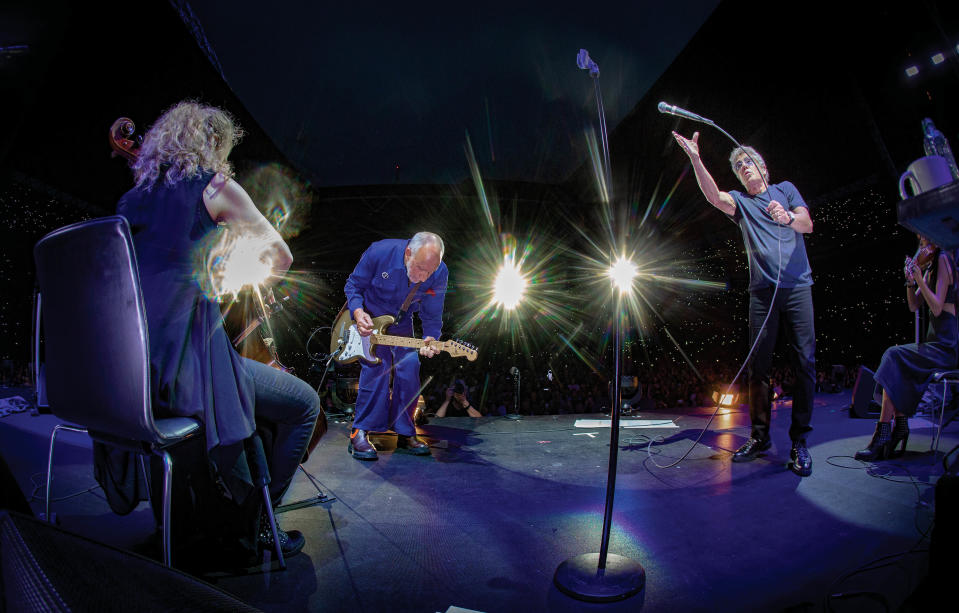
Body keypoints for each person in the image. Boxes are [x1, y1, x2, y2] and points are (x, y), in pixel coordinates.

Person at [116, 101, 322, 557]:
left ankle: (191, 518)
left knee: (241, 385)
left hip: (132, 373)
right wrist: (225, 278)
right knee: (305, 403)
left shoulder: (128, 203)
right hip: (186, 367)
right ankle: (258, 524)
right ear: (212, 145)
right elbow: (280, 258)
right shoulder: (213, 188)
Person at [672, 130, 815, 476]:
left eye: (747, 162)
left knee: (805, 362)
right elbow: (713, 197)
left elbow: (807, 225)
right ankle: (760, 437)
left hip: (797, 287)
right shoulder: (742, 201)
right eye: (738, 166)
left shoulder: (786, 190)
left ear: (762, 166)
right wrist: (695, 157)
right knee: (758, 368)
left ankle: (799, 443)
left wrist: (788, 218)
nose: (743, 168)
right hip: (762, 292)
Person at [344, 232, 448, 460]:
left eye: (429, 272)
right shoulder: (380, 252)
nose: (423, 277)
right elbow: (354, 285)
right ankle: (359, 431)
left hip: (401, 324)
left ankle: (404, 431)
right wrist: (358, 312)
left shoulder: (439, 272)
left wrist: (431, 337)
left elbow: (432, 313)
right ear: (408, 252)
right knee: (376, 368)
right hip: (369, 321)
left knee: (410, 368)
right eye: (420, 268)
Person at [856, 237, 958, 460]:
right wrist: (911, 281)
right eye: (919, 240)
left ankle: (885, 432)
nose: (922, 244)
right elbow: (914, 305)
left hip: (946, 345)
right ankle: (897, 427)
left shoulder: (943, 259)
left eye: (925, 238)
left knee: (893, 355)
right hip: (934, 342)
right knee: (896, 362)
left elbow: (938, 307)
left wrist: (920, 278)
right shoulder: (932, 264)